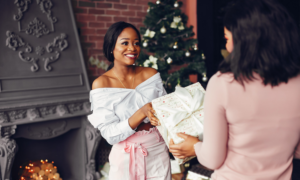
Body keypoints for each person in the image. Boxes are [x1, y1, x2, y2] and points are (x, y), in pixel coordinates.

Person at [168, 0, 300, 179]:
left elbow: (212, 160)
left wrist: (195, 146)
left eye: (227, 38)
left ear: (244, 40)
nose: (227, 47)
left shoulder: (223, 83)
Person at [88, 21, 171, 180]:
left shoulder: (151, 75)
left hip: (158, 151)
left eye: (136, 43)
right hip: (125, 157)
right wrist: (141, 112)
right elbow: (110, 135)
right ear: (111, 47)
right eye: (125, 43)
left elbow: (167, 112)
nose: (132, 48)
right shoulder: (102, 84)